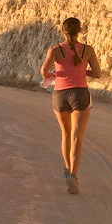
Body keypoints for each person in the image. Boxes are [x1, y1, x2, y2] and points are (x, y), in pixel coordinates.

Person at [40, 17, 101, 194]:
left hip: (60, 94)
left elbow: (44, 71)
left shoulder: (55, 49)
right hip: (80, 94)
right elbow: (97, 73)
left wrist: (56, 73)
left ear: (63, 31)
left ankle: (67, 171)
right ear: (79, 30)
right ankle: (74, 173)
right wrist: (82, 70)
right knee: (77, 136)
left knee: (65, 133)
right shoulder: (87, 49)